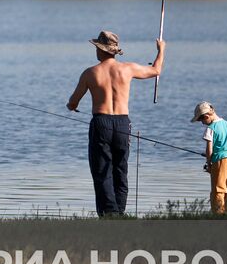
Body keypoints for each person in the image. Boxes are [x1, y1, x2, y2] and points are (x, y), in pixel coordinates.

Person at [67, 30, 165, 217]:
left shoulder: (90, 73)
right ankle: (119, 211)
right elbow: (156, 70)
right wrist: (161, 50)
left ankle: (110, 212)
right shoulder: (127, 69)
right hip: (122, 123)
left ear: (100, 50)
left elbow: (73, 101)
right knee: (121, 169)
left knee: (102, 169)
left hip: (101, 122)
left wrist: (71, 106)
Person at [193, 101, 227, 214]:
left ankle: (218, 214)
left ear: (206, 116)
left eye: (201, 120)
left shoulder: (211, 128)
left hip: (219, 161)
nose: (202, 123)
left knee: (218, 189)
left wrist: (209, 163)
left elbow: (209, 150)